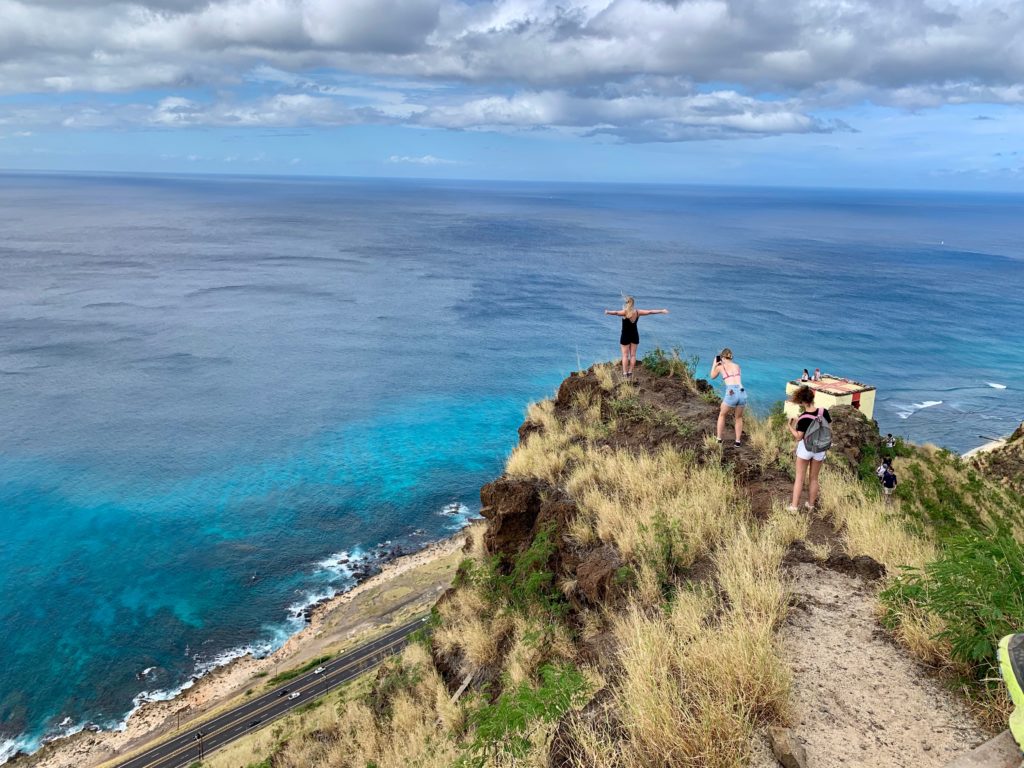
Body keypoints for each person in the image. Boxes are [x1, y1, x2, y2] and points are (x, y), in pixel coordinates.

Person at [787, 385, 832, 512]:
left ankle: (794, 507)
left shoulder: (803, 418)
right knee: (814, 478)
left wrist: (790, 426)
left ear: (802, 402)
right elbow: (829, 429)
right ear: (812, 398)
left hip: (806, 449)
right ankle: (811, 505)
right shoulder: (824, 412)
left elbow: (798, 437)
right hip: (820, 448)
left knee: (800, 478)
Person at [603, 297, 668, 379]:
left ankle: (624, 373)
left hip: (625, 336)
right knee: (633, 355)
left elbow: (616, 312)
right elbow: (650, 312)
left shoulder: (625, 312)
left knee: (625, 356)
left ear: (626, 304)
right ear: (633, 304)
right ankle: (630, 372)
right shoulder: (638, 312)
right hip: (635, 335)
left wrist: (608, 312)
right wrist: (662, 311)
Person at [709, 348, 746, 446]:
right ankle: (737, 442)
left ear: (722, 357)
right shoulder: (737, 366)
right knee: (738, 417)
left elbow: (712, 376)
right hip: (742, 391)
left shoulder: (720, 367)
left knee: (722, 415)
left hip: (731, 391)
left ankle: (719, 439)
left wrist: (714, 364)